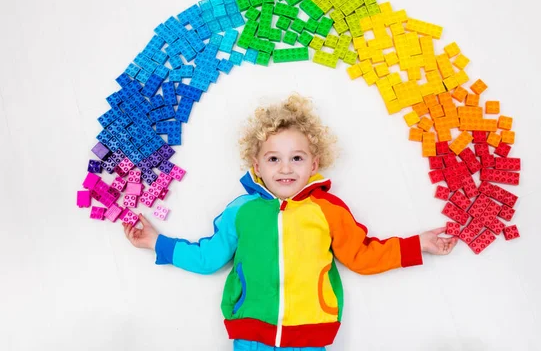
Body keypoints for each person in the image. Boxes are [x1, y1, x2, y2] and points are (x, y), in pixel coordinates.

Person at [123, 94, 458, 350]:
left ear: (314, 164)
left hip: (310, 333)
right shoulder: (241, 210)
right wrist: (156, 242)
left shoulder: (327, 209)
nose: (285, 168)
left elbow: (362, 255)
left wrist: (420, 244)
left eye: (296, 158)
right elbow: (209, 257)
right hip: (250, 330)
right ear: (257, 164)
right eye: (273, 159)